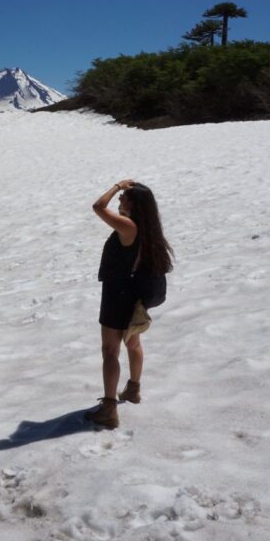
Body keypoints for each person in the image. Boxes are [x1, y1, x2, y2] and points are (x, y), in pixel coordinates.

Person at [85, 179, 173, 429]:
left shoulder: (128, 227)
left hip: (117, 296)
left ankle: (109, 409)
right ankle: (133, 389)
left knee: (110, 351)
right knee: (133, 342)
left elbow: (99, 207)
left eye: (124, 198)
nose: (120, 200)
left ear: (133, 204)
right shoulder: (148, 227)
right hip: (134, 296)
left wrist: (115, 186)